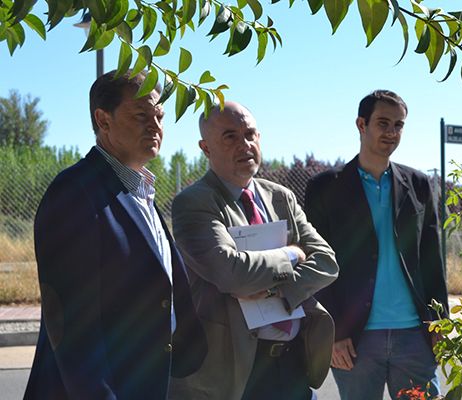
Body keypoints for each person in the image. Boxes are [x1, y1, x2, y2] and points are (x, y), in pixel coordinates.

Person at [23, 70, 207, 399]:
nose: (155, 125)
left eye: (160, 116)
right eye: (140, 114)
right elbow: (73, 325)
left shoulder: (140, 192)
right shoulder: (76, 193)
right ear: (103, 120)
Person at [167, 101, 338, 400]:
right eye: (230, 136)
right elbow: (232, 273)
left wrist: (280, 294)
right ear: (206, 148)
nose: (245, 144)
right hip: (233, 373)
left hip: (293, 364)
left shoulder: (280, 197)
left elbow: (326, 261)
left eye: (251, 134)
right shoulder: (194, 203)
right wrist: (293, 255)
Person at [305, 90, 448, 399]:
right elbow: (316, 264)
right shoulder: (325, 188)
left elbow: (431, 260)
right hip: (354, 339)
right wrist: (335, 332)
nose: (391, 132)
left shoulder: (419, 185)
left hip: (414, 336)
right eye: (383, 123)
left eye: (399, 125)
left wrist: (439, 326)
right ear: (361, 124)